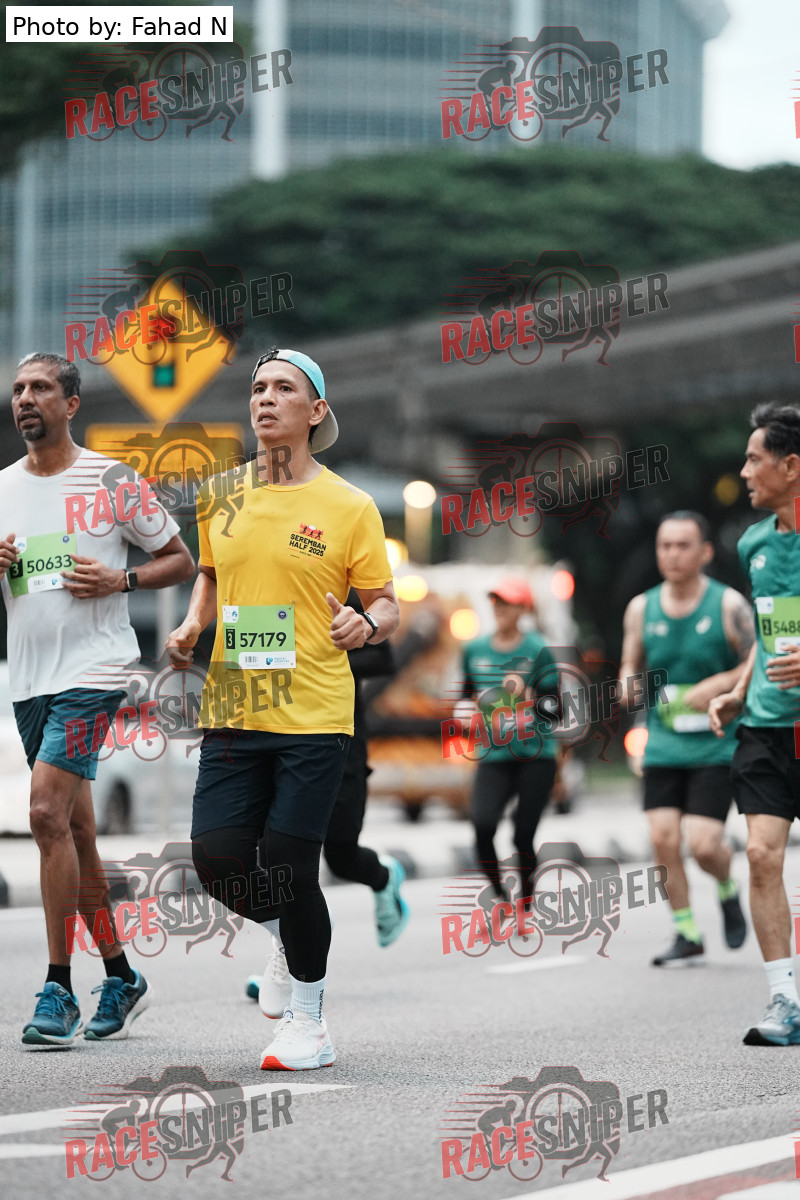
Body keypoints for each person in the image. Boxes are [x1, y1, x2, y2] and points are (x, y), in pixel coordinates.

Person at [166, 347, 399, 1071]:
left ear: (316, 410)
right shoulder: (221, 494)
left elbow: (386, 603)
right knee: (216, 859)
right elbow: (211, 573)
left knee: (292, 868)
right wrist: (194, 623)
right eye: (258, 387)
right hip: (235, 704)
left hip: (314, 713)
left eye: (284, 388)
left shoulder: (350, 506)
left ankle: (309, 1023)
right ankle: (286, 936)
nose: (265, 398)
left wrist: (366, 624)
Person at [1, 352, 194, 1045]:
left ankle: (58, 989)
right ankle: (121, 974)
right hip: (30, 679)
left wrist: (122, 581)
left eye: (41, 387)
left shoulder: (112, 481)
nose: (26, 398)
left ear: (71, 403)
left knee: (44, 813)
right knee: (75, 831)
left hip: (95, 673)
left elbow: (180, 559)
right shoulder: (2, 488)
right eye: (19, 389)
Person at [248, 593, 408, 1018]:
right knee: (275, 857)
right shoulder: (263, 585)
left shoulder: (336, 588)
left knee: (341, 855)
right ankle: (287, 957)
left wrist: (315, 656)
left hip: (339, 739)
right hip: (278, 737)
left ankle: (383, 876)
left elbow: (383, 658)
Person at [619, 511, 752, 967]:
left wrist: (717, 685)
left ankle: (726, 885)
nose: (673, 554)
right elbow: (631, 662)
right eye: (665, 546)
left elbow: (753, 663)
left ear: (705, 552)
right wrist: (627, 683)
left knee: (704, 845)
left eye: (683, 545)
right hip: (663, 740)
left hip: (715, 742)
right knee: (662, 838)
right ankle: (686, 931)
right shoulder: (641, 608)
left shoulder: (728, 605)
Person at [709, 403, 800, 1045]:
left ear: (790, 466)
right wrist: (739, 691)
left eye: (753, 459)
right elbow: (772, 637)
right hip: (767, 728)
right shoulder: (754, 544)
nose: (743, 472)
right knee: (762, 854)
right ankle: (785, 1001)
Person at [459, 577, 559, 908]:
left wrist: (527, 699)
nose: (500, 608)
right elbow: (465, 696)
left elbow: (556, 709)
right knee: (482, 825)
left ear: (523, 609)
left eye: (508, 603)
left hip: (536, 756)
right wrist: (464, 715)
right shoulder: (474, 650)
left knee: (522, 835)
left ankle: (525, 905)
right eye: (496, 602)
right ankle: (501, 899)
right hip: (493, 754)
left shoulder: (538, 650)